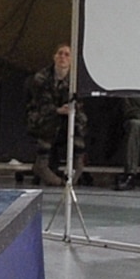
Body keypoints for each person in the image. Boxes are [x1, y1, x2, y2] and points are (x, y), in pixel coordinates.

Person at [23, 43, 83, 186]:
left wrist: (72, 108)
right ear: (54, 57)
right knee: (50, 119)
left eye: (67, 54)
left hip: (67, 116)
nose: (63, 57)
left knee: (79, 120)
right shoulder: (41, 78)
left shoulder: (77, 80)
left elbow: (80, 102)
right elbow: (41, 103)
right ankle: (42, 165)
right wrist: (57, 110)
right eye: (60, 53)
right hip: (44, 115)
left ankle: (78, 164)